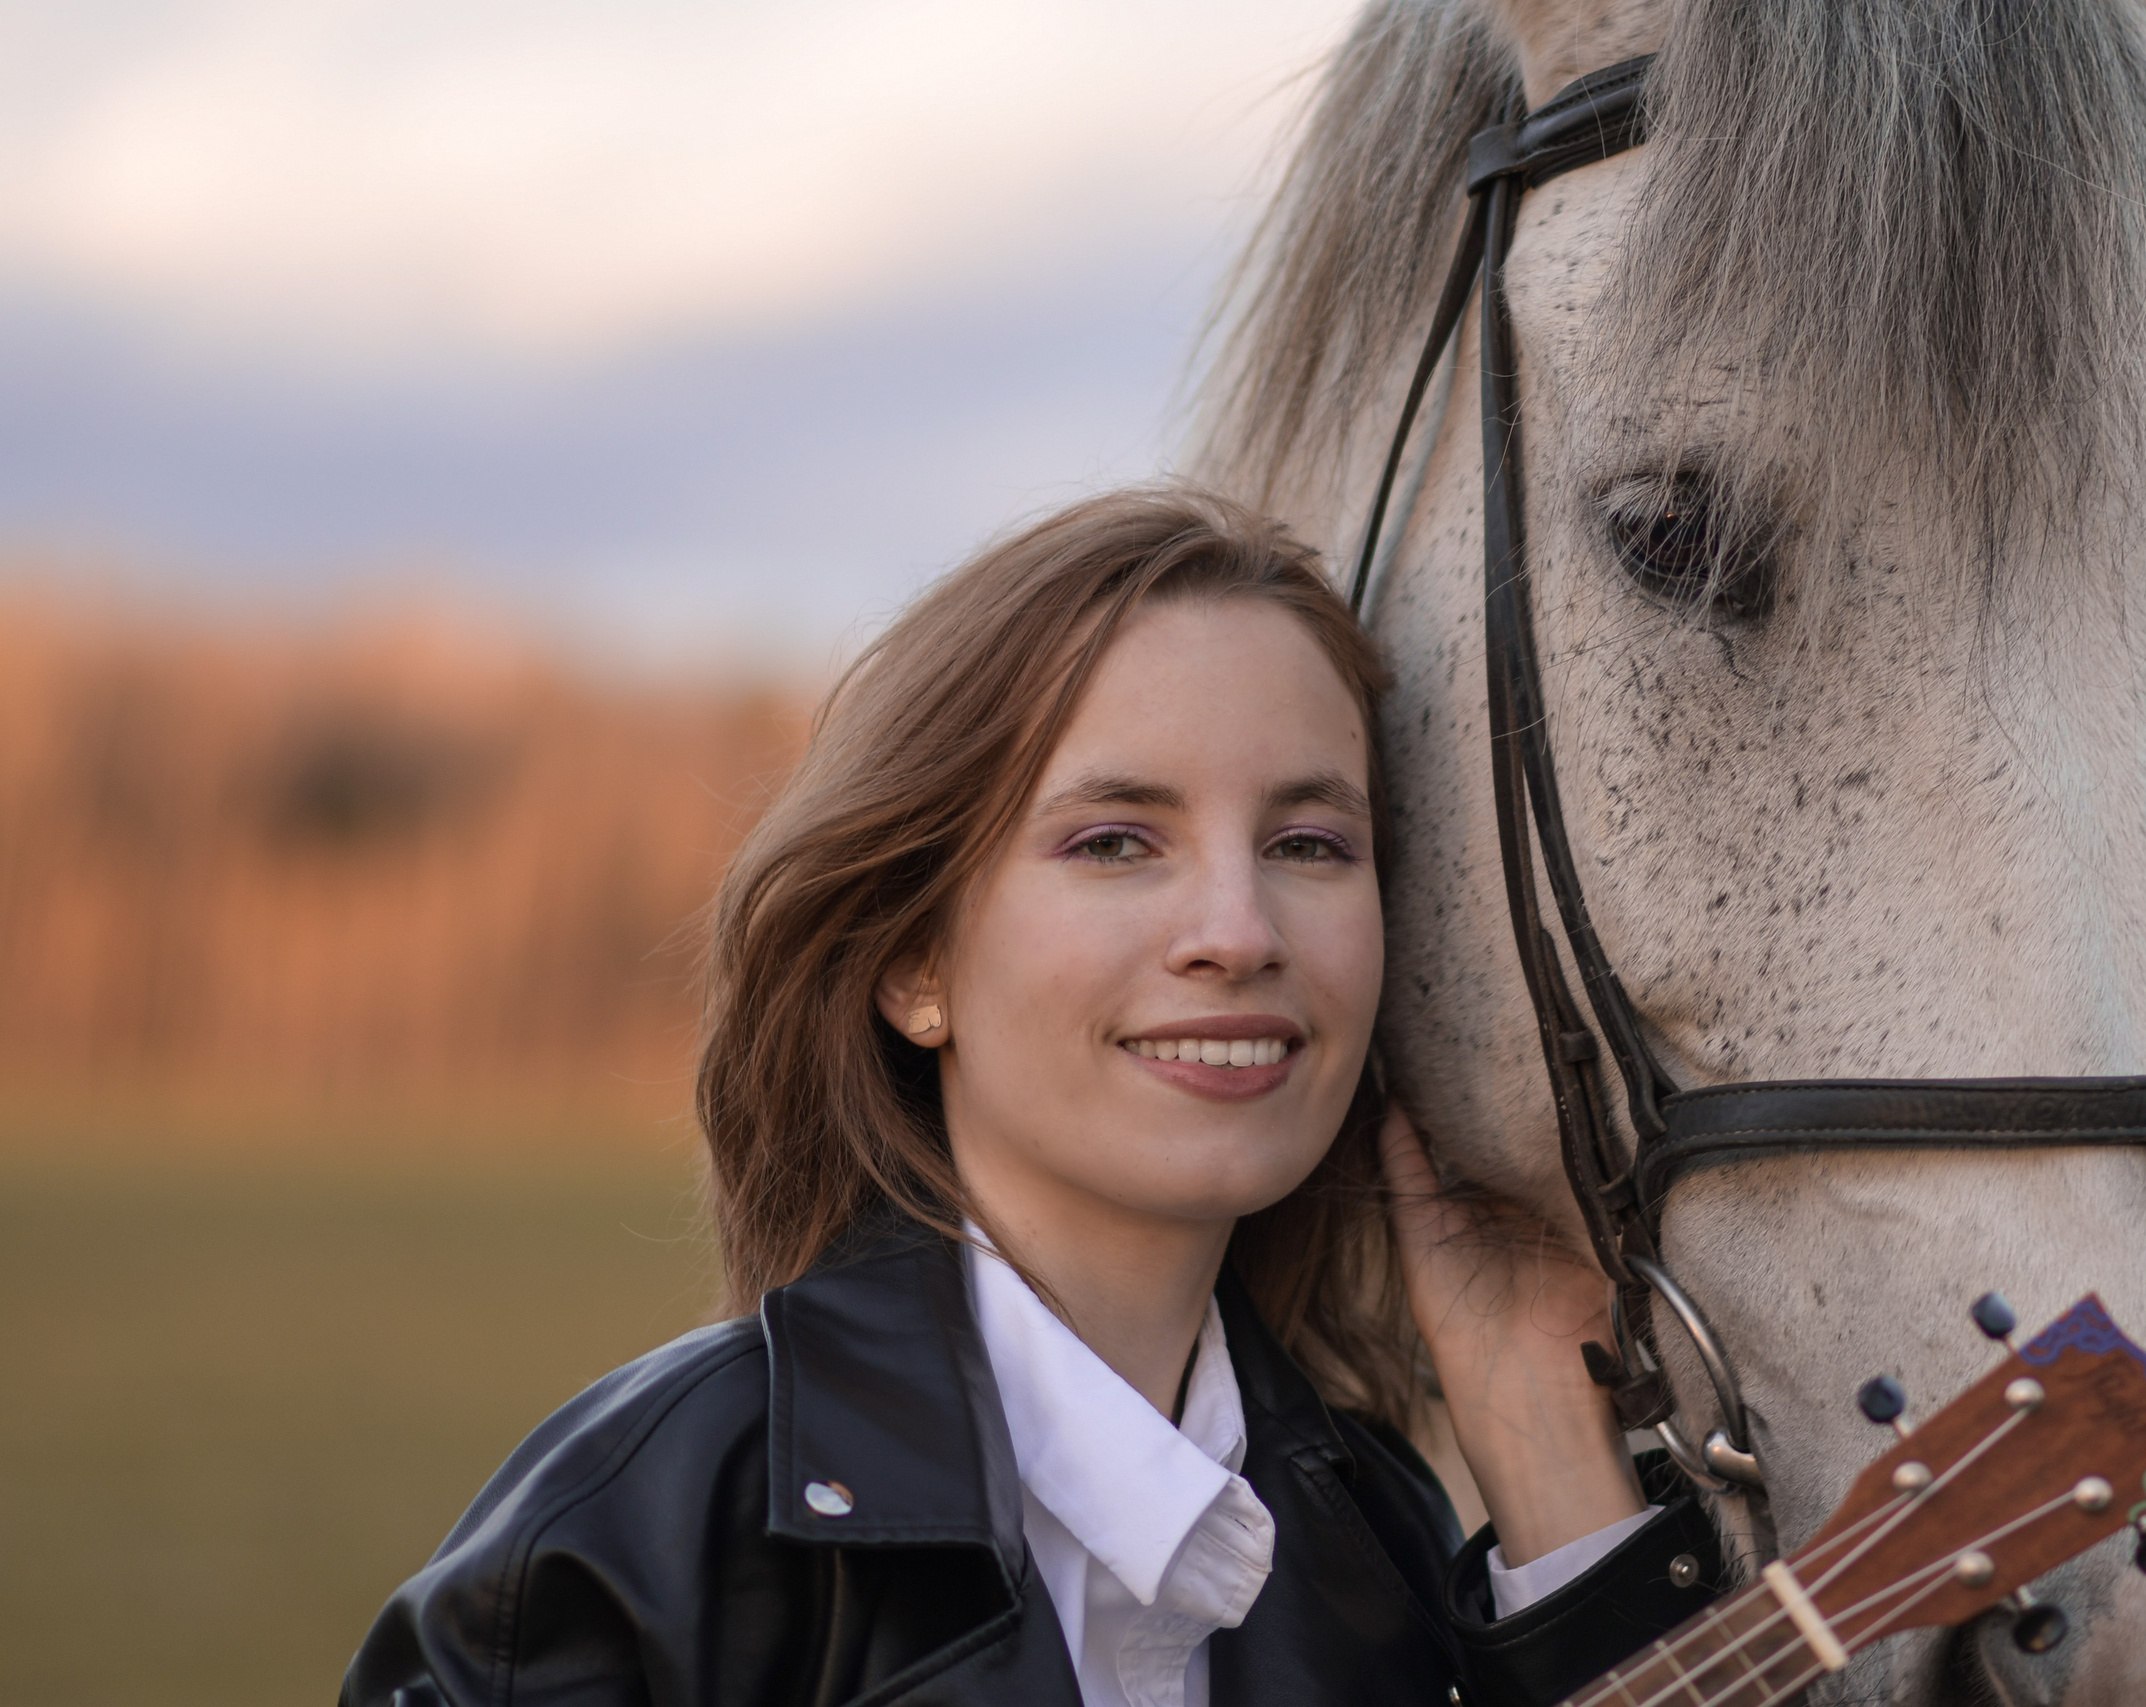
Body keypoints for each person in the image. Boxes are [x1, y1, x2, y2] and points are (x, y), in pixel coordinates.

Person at [342, 487, 1722, 1707]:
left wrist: (1544, 1438)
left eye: (1310, 842)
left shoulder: (1383, 1543)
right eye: (1116, 841)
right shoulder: (633, 1549)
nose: (1239, 931)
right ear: (913, 962)